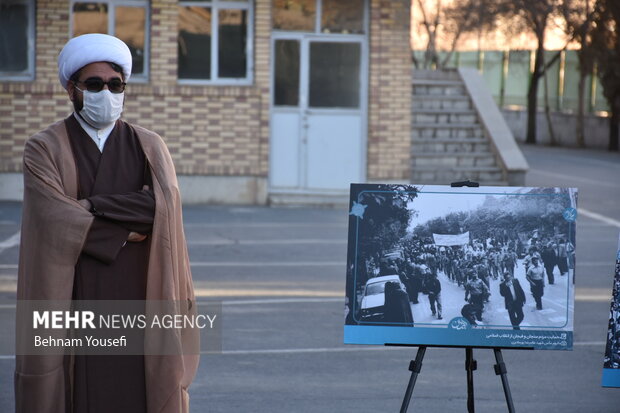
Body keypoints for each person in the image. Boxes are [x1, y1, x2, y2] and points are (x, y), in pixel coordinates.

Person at [15, 34, 198, 413]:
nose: (106, 93)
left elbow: (163, 208)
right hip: (74, 288)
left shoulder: (150, 144)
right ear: (72, 89)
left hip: (139, 287)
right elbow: (54, 218)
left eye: (115, 85)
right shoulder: (44, 147)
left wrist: (89, 205)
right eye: (94, 85)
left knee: (138, 384)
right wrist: (128, 227)